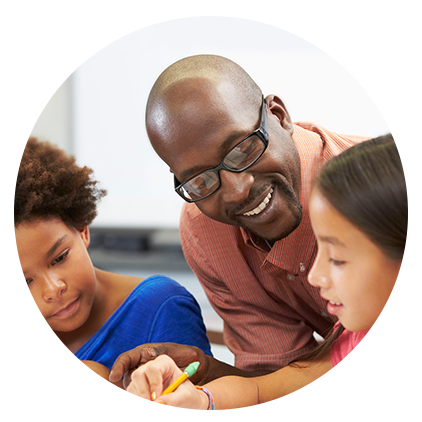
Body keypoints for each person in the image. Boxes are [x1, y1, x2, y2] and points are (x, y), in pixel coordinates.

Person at [110, 54, 369, 388]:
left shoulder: (389, 189)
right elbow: (281, 382)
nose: (237, 191)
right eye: (201, 180)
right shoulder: (205, 232)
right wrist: (208, 374)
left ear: (279, 116)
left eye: (243, 150)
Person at [124, 130, 409, 411]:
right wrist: (199, 401)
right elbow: (260, 392)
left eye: (337, 259)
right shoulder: (366, 342)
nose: (314, 275)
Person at [13, 135, 212, 403]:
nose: (53, 289)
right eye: (22, 284)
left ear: (82, 231)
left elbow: (196, 406)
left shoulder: (162, 307)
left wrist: (94, 380)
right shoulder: (21, 316)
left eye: (59, 258)